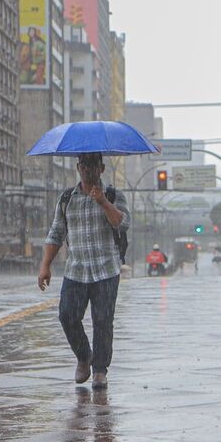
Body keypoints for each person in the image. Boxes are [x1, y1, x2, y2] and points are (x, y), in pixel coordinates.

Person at [38, 152, 131, 390]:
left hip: (106, 270)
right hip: (76, 269)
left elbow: (122, 222)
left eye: (93, 165)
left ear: (101, 168)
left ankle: (100, 370)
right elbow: (56, 233)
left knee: (102, 321)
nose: (88, 170)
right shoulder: (67, 198)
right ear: (77, 167)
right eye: (84, 165)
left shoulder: (113, 195)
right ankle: (83, 356)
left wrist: (103, 202)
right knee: (67, 315)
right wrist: (45, 265)